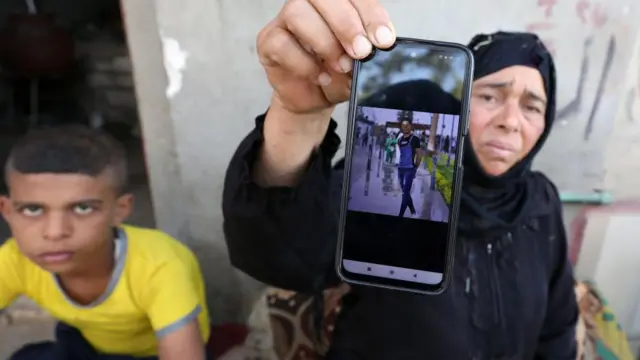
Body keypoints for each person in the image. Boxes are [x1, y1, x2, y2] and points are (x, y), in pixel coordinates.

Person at [223, 1, 578, 358]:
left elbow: (557, 328)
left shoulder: (540, 200)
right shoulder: (397, 185)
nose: (510, 121)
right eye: (489, 96)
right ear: (460, 103)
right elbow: (280, 254)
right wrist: (298, 118)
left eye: (532, 106)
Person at [0, 126, 210, 360]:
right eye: (33, 209)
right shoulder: (14, 260)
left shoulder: (159, 264)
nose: (55, 233)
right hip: (85, 344)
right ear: (7, 211)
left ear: (120, 210)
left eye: (83, 208)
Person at [396, 120, 421, 217]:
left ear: (411, 126)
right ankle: (413, 211)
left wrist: (415, 168)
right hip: (400, 169)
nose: (405, 127)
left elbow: (419, 155)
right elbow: (400, 154)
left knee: (405, 193)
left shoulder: (415, 139)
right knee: (405, 192)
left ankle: (400, 215)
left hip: (409, 169)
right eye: (403, 125)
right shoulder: (399, 139)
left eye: (407, 125)